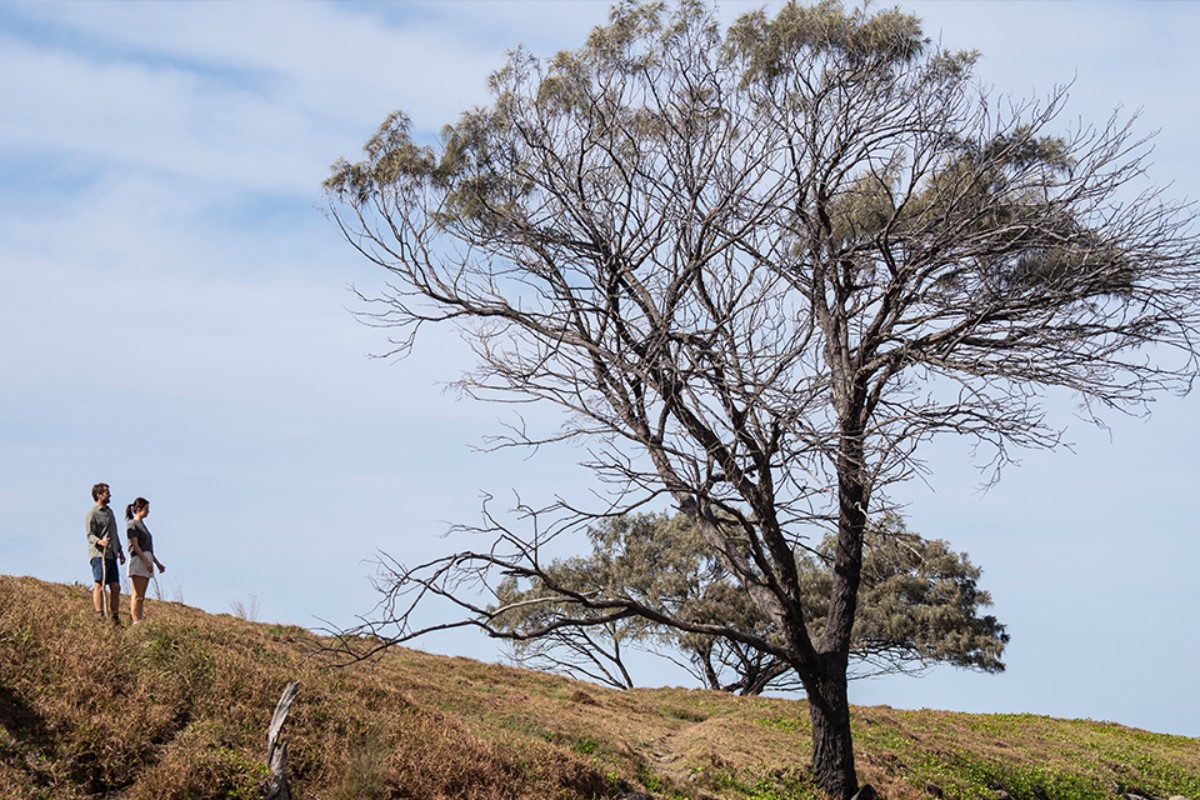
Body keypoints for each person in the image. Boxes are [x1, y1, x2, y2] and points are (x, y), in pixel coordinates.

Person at [85, 483, 125, 624]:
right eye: (107, 492)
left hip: (111, 554)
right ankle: (99, 613)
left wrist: (119, 550)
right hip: (98, 554)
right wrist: (100, 542)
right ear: (99, 495)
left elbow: (114, 532)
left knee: (115, 586)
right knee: (99, 584)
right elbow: (89, 535)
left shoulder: (110, 512)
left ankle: (115, 616)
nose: (109, 495)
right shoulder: (92, 513)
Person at [125, 496, 166, 624]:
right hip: (138, 559)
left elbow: (149, 549)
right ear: (138, 509)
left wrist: (157, 563)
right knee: (136, 594)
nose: (148, 511)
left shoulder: (143, 525)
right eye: (146, 508)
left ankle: (139, 618)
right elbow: (135, 545)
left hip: (147, 557)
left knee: (142, 595)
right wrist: (146, 561)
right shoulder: (132, 524)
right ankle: (135, 619)